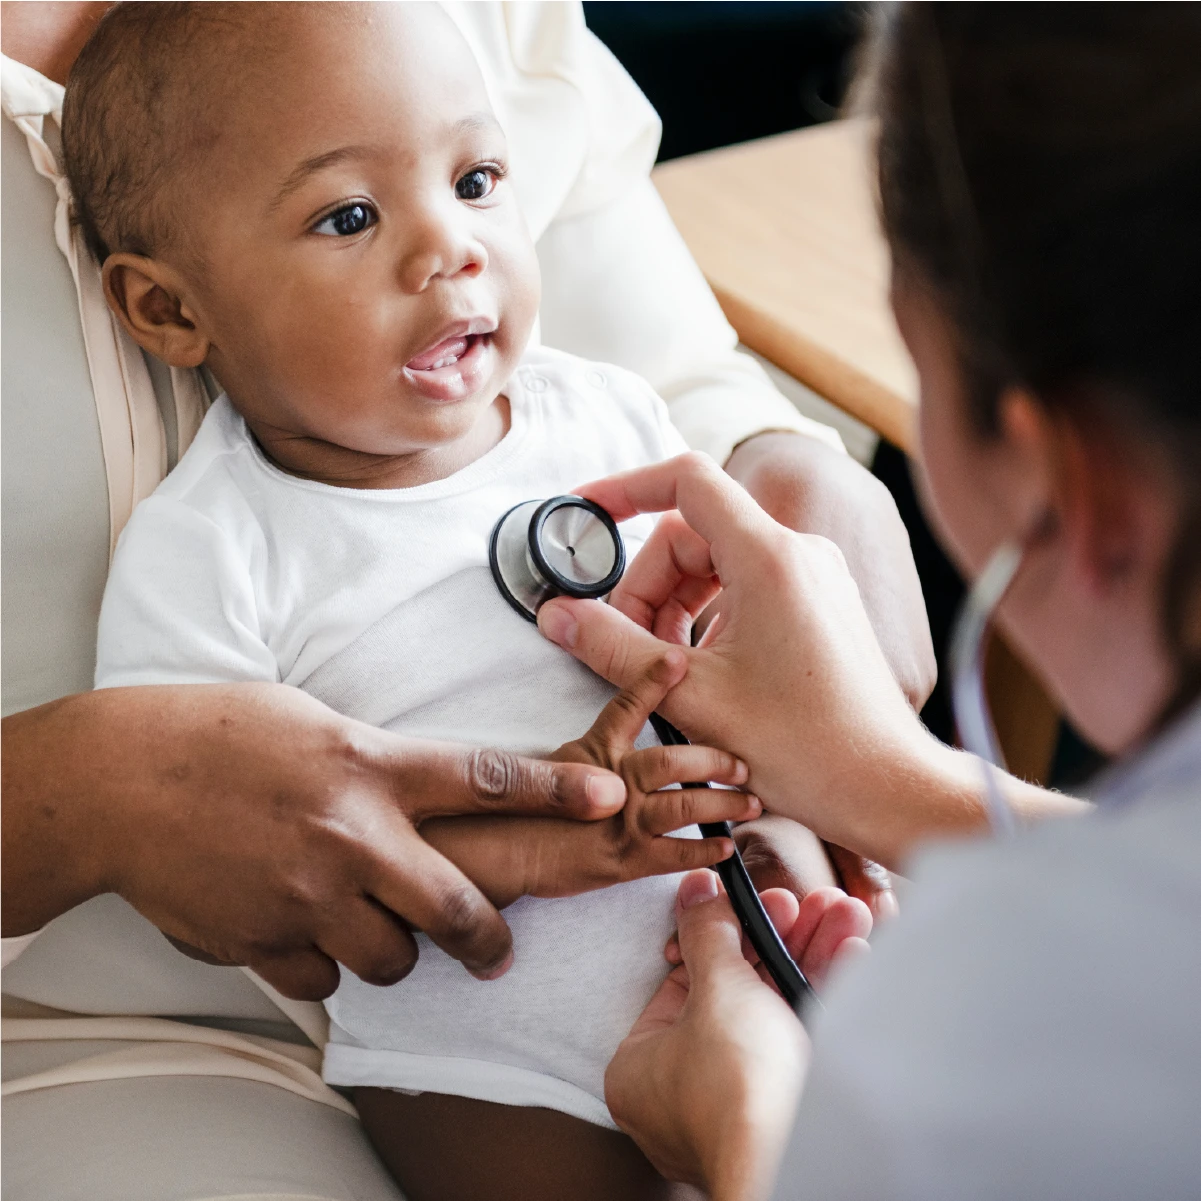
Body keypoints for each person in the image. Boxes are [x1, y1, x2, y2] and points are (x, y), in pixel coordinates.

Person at [1, 2, 927, 1197]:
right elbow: (244, 851)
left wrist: (818, 806)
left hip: (741, 926)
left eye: (478, 180)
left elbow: (714, 632)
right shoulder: (207, 552)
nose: (452, 247)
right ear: (172, 310)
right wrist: (555, 840)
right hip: (481, 1052)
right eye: (349, 217)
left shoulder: (603, 416)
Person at [536, 5, 1201, 1198]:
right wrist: (893, 782)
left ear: (1067, 483)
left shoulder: (937, 1065)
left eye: (915, 368)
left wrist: (743, 1138)